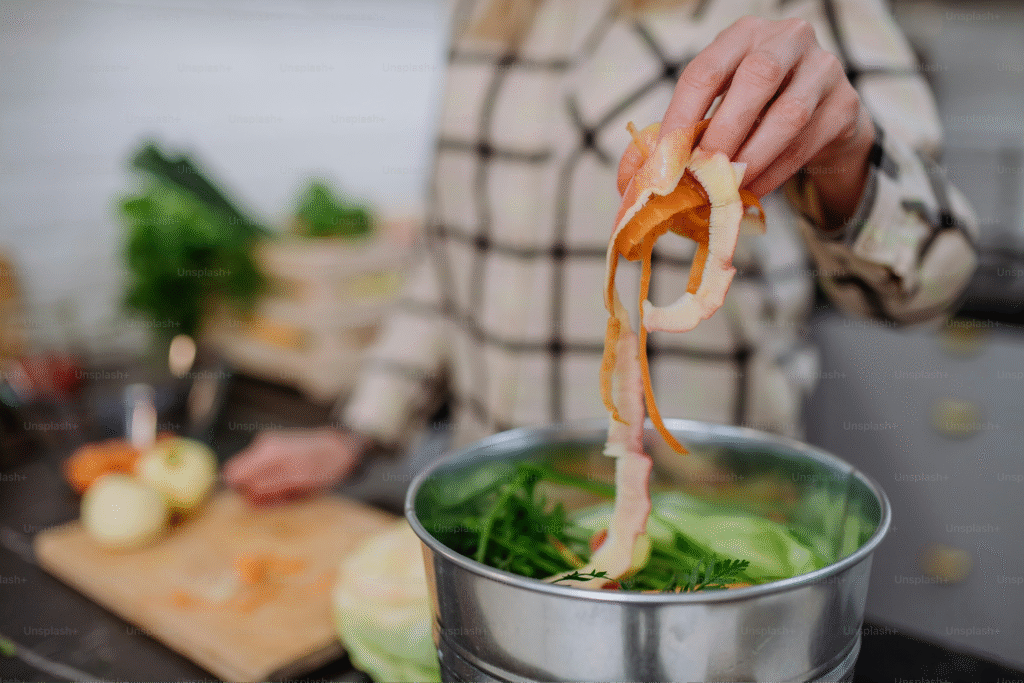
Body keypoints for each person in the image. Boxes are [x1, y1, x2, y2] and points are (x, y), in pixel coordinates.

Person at [225, 0, 978, 505]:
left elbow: (932, 279)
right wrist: (360, 429)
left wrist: (849, 157)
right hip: (501, 518)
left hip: (704, 522)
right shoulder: (490, 12)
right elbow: (452, 259)